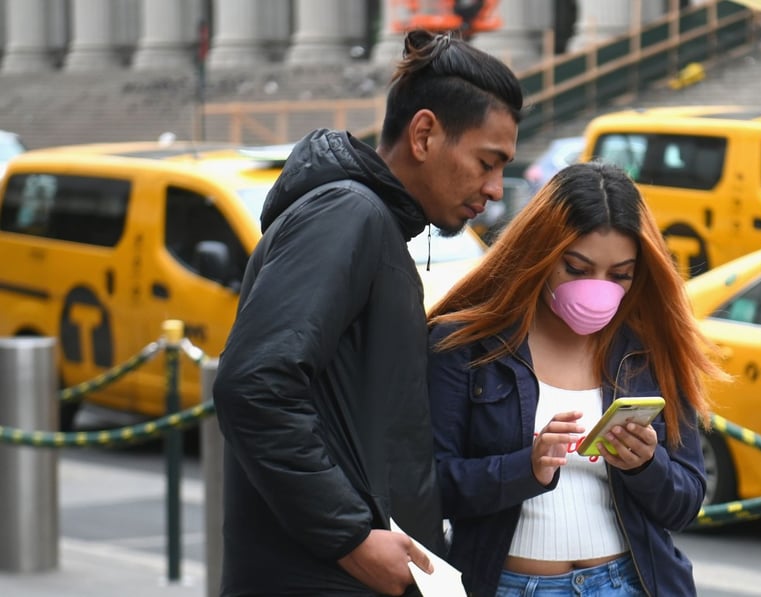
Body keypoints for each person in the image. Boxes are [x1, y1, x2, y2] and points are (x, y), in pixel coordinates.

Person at [212, 29, 522, 597]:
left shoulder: (367, 218)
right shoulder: (347, 214)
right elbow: (253, 384)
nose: (496, 189)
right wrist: (351, 539)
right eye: (486, 162)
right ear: (425, 133)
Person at [427, 161, 729, 596]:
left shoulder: (649, 349)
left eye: (620, 275)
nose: (597, 288)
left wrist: (646, 465)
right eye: (576, 267)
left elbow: (684, 504)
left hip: (627, 583)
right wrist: (524, 469)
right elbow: (431, 486)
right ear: (541, 254)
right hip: (509, 585)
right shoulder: (466, 344)